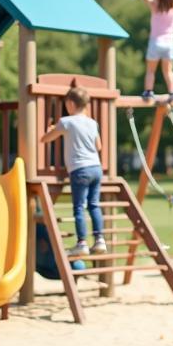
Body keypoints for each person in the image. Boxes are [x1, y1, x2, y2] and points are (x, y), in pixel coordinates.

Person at [40, 87, 106, 256]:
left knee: (78, 207)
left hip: (80, 169)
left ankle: (82, 243)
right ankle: (99, 240)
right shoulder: (92, 123)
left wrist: (50, 130)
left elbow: (46, 139)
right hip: (96, 168)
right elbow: (99, 146)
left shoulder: (66, 122)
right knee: (94, 205)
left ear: (70, 103)